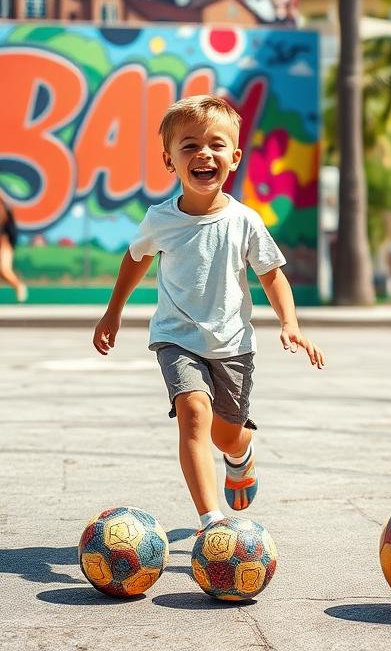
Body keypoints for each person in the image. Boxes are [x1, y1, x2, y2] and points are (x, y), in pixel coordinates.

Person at [91, 95, 324, 534]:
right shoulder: (160, 219)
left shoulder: (245, 221)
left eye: (216, 145)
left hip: (233, 344)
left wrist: (291, 325)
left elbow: (272, 276)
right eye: (190, 145)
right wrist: (113, 313)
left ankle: (240, 455)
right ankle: (211, 520)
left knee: (226, 435)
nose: (204, 154)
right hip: (176, 337)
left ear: (234, 158)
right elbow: (136, 258)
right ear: (169, 160)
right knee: (193, 413)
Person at [0, 193, 28, 303]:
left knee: (4, 269)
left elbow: (7, 234)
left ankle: (19, 286)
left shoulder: (5, 211)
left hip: (5, 245)